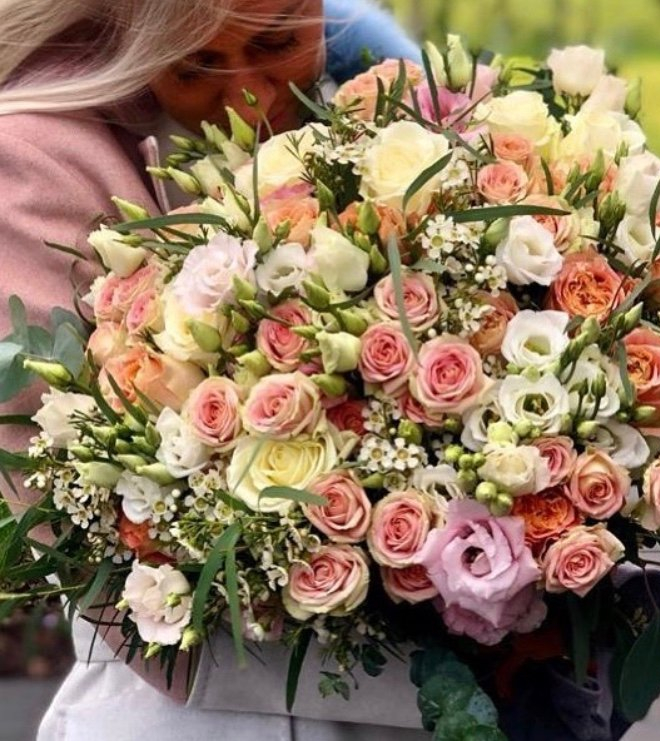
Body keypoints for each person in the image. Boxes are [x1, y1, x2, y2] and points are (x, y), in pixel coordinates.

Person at [0, 1, 429, 738]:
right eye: (195, 67)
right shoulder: (32, 164)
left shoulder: (376, 86)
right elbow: (96, 554)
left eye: (278, 42)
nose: (253, 97)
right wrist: (469, 686)